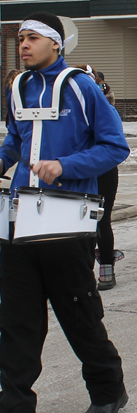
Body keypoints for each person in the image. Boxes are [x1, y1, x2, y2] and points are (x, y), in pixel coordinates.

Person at [0, 12, 129, 413]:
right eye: (20, 38)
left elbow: (115, 146)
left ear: (56, 44)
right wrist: (0, 162)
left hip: (68, 219)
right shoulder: (17, 86)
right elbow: (17, 140)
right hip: (21, 219)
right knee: (16, 323)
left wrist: (66, 166)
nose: (23, 44)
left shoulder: (82, 86)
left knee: (78, 314)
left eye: (32, 38)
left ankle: (108, 389)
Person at [75, 66, 122, 291]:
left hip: (103, 171)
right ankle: (81, 273)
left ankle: (107, 268)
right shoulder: (68, 109)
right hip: (75, 173)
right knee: (77, 222)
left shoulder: (105, 107)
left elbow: (116, 146)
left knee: (101, 220)